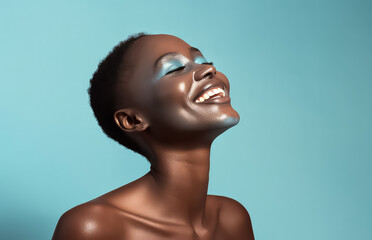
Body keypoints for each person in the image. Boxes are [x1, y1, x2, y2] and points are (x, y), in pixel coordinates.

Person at [52, 33, 254, 240]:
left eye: (204, 61)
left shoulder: (231, 219)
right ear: (132, 120)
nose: (208, 69)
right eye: (175, 69)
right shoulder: (96, 227)